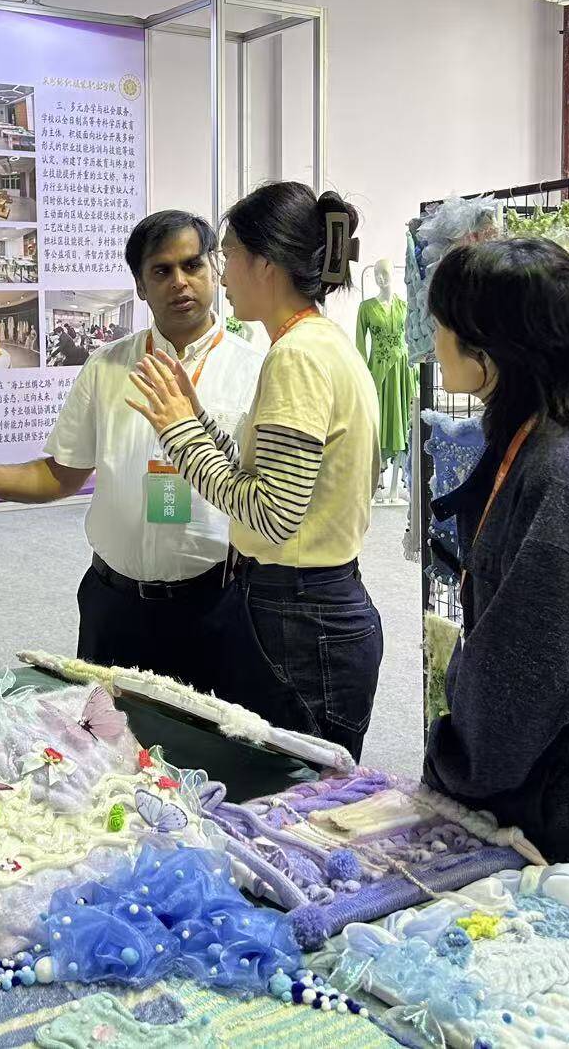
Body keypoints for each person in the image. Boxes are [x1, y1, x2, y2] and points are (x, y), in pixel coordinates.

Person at [420, 238, 569, 892]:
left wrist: (461, 762)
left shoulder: (556, 469)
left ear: (490, 348)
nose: (434, 340)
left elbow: (551, 664)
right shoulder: (548, 434)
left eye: (443, 325)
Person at [0, 212, 262, 688]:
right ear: (140, 286)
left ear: (213, 270)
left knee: (206, 734)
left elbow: (267, 496)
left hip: (214, 607)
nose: (180, 282)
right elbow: (62, 474)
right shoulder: (107, 366)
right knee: (106, 730)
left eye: (192, 265)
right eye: (161, 270)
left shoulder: (254, 371)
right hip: (115, 606)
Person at [125, 183, 381, 757]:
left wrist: (178, 433)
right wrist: (195, 419)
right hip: (311, 606)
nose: (221, 275)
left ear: (265, 264)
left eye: (228, 255)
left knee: (295, 792)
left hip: (301, 615)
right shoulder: (317, 342)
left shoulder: (297, 357)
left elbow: (270, 514)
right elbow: (267, 475)